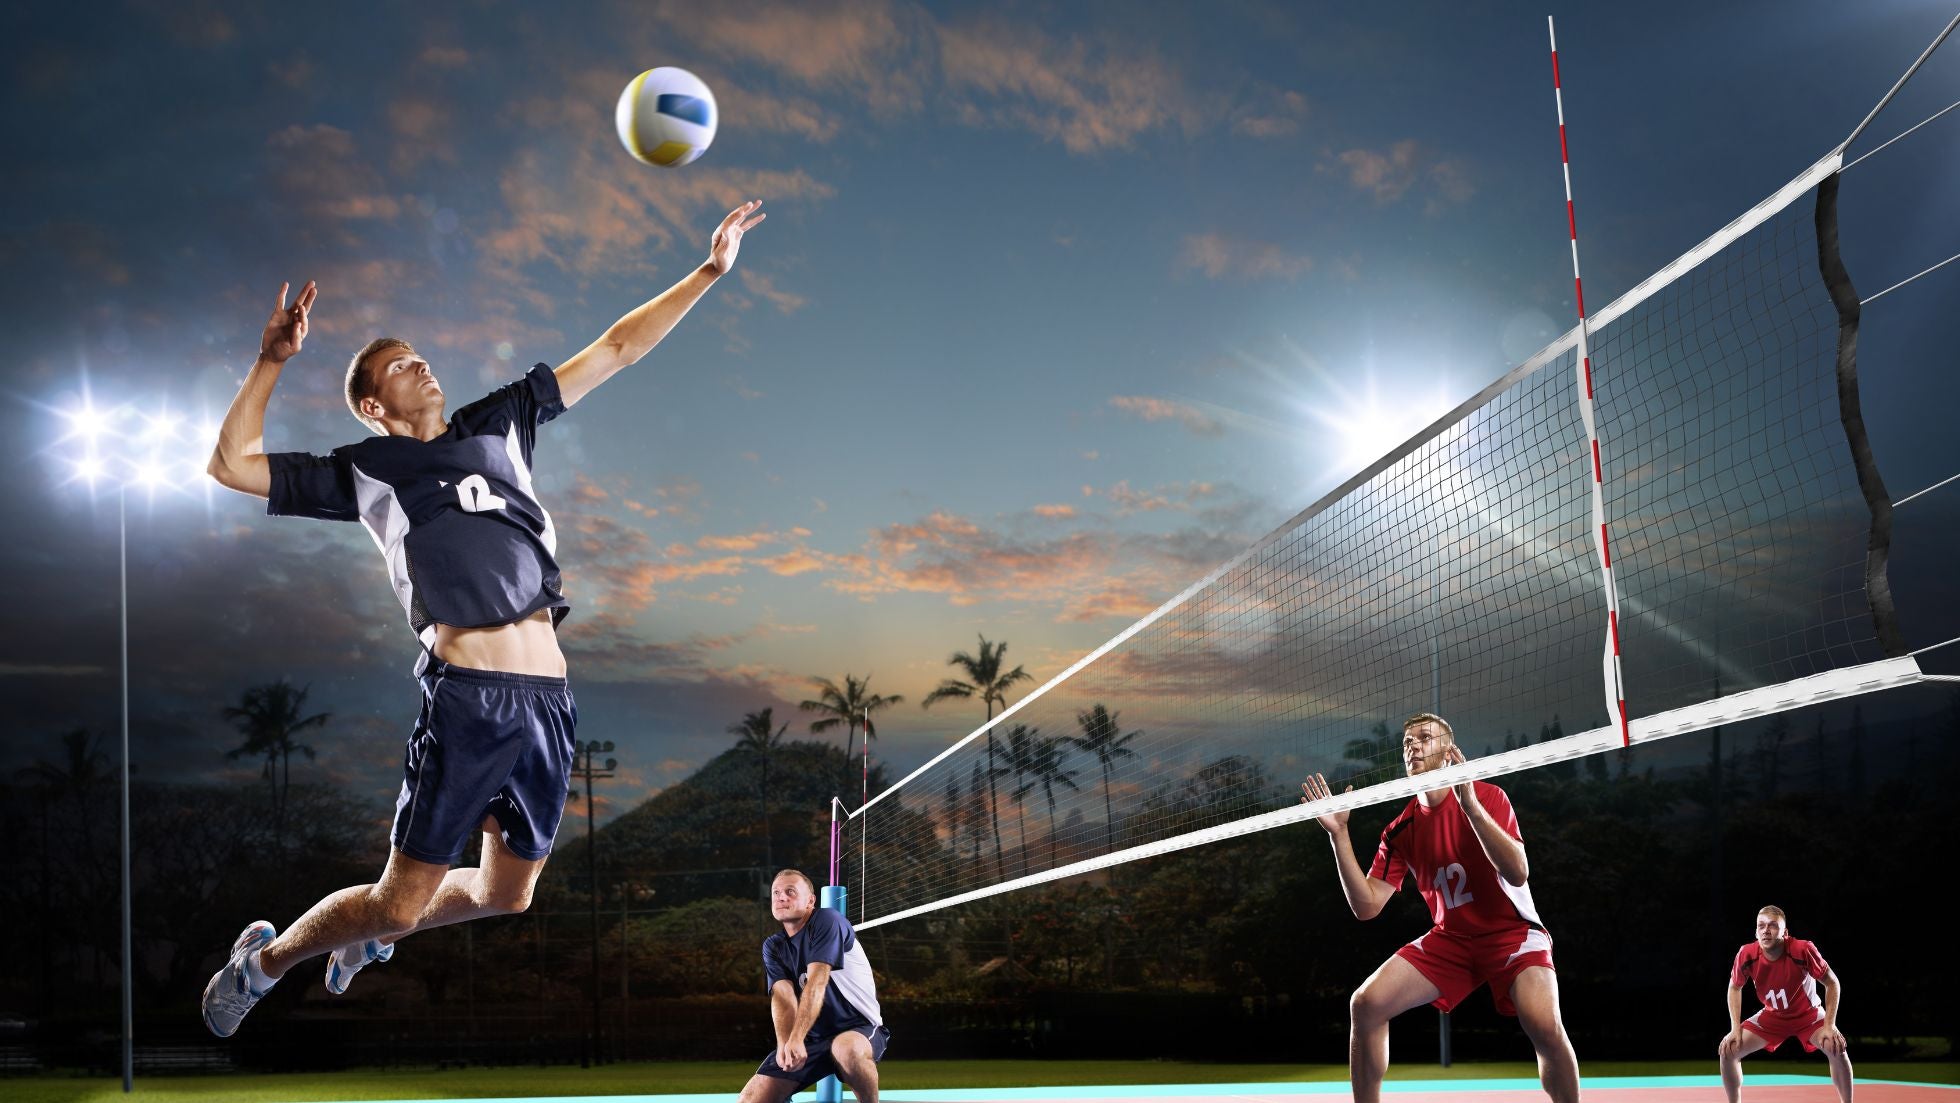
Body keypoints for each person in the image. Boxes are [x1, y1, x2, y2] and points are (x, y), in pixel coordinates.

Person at [198, 200, 767, 1037]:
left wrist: (709, 270)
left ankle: (376, 935)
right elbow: (230, 465)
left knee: (509, 894)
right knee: (399, 899)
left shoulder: (501, 421)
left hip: (548, 701)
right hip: (469, 695)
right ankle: (265, 961)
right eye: (398, 366)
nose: (420, 366)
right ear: (371, 405)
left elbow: (614, 347)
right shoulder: (366, 468)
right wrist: (270, 361)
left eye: (420, 356)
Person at [1301, 712, 1580, 1103]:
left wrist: (1471, 810)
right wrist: (1339, 835)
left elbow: (1517, 872)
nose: (1412, 745)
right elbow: (1366, 907)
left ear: (1448, 751)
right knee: (1365, 1005)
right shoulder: (1399, 830)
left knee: (1544, 1024)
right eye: (1407, 742)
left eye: (1424, 738)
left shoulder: (1487, 796)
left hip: (1511, 933)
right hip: (1452, 941)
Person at [737, 870, 888, 1103]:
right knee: (750, 1100)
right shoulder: (774, 946)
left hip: (858, 1028)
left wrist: (797, 1036)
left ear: (811, 900)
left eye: (790, 892)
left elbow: (817, 981)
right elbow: (783, 998)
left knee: (845, 1048)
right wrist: (785, 1044)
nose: (781, 897)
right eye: (776, 892)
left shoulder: (827, 921)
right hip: (813, 1039)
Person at [1720, 906, 1851, 1103]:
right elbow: (1734, 988)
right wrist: (1734, 1028)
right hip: (1772, 1017)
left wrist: (1830, 1025)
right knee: (1728, 1050)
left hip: (1808, 1015)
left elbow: (1832, 983)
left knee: (1836, 1046)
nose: (1766, 930)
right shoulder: (1747, 954)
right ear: (1756, 932)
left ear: (1785, 932)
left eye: (1773, 925)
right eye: (1761, 926)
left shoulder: (1802, 949)